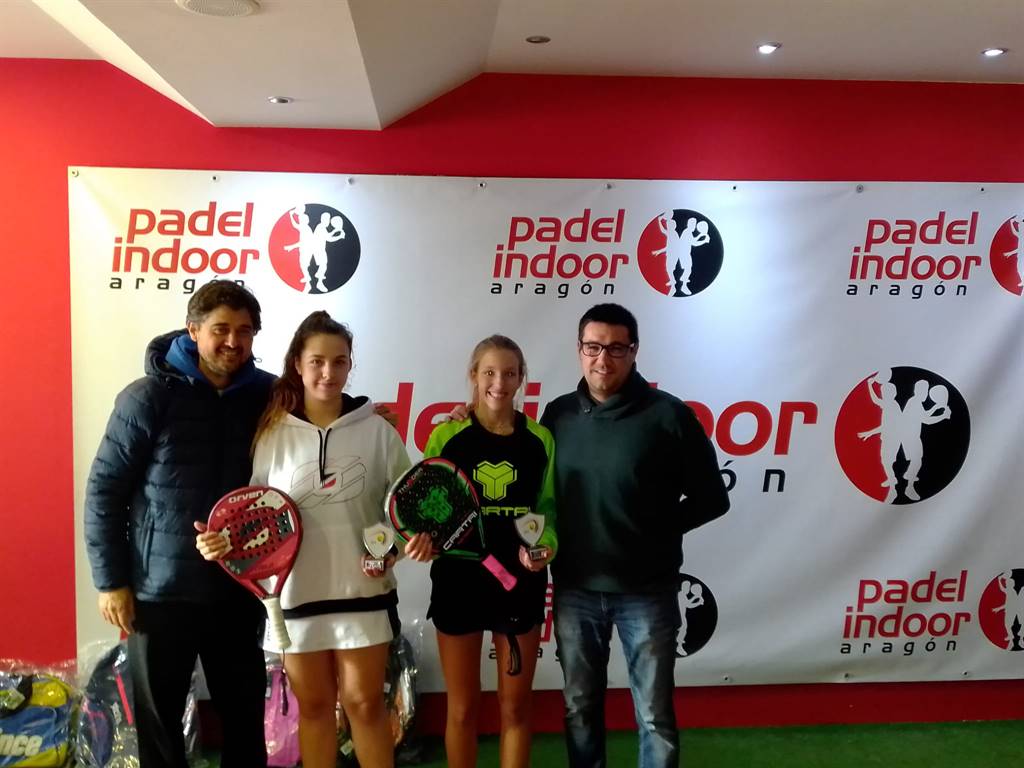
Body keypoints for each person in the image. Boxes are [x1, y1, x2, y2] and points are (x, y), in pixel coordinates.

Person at [196, 310, 431, 768]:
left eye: (339, 362)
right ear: (298, 365)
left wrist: (404, 546)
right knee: (316, 708)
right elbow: (252, 516)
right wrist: (220, 542)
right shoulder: (271, 433)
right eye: (317, 362)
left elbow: (407, 511)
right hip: (295, 596)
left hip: (364, 593)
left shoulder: (378, 431)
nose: (328, 372)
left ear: (350, 365)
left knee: (366, 705)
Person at [84, 279, 274, 768]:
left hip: (238, 587)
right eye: (221, 329)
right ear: (193, 330)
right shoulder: (147, 397)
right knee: (160, 725)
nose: (233, 341)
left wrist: (366, 416)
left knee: (245, 718)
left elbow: (323, 415)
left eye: (245, 331)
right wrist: (111, 582)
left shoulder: (268, 396)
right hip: (159, 593)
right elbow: (105, 490)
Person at [540, 303, 730, 768]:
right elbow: (525, 473)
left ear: (634, 351)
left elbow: (712, 498)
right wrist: (464, 416)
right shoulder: (557, 415)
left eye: (616, 348)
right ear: (579, 350)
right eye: (593, 347)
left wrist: (655, 529)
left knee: (653, 715)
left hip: (647, 592)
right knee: (579, 708)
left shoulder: (669, 416)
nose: (603, 359)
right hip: (576, 590)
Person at [424, 335, 558, 768]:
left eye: (509, 373)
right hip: (458, 583)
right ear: (474, 376)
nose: (499, 383)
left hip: (519, 584)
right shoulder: (446, 435)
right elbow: (426, 506)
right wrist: (422, 538)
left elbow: (548, 510)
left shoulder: (540, 439)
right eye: (489, 373)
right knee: (462, 708)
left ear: (521, 379)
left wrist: (545, 547)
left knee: (515, 708)